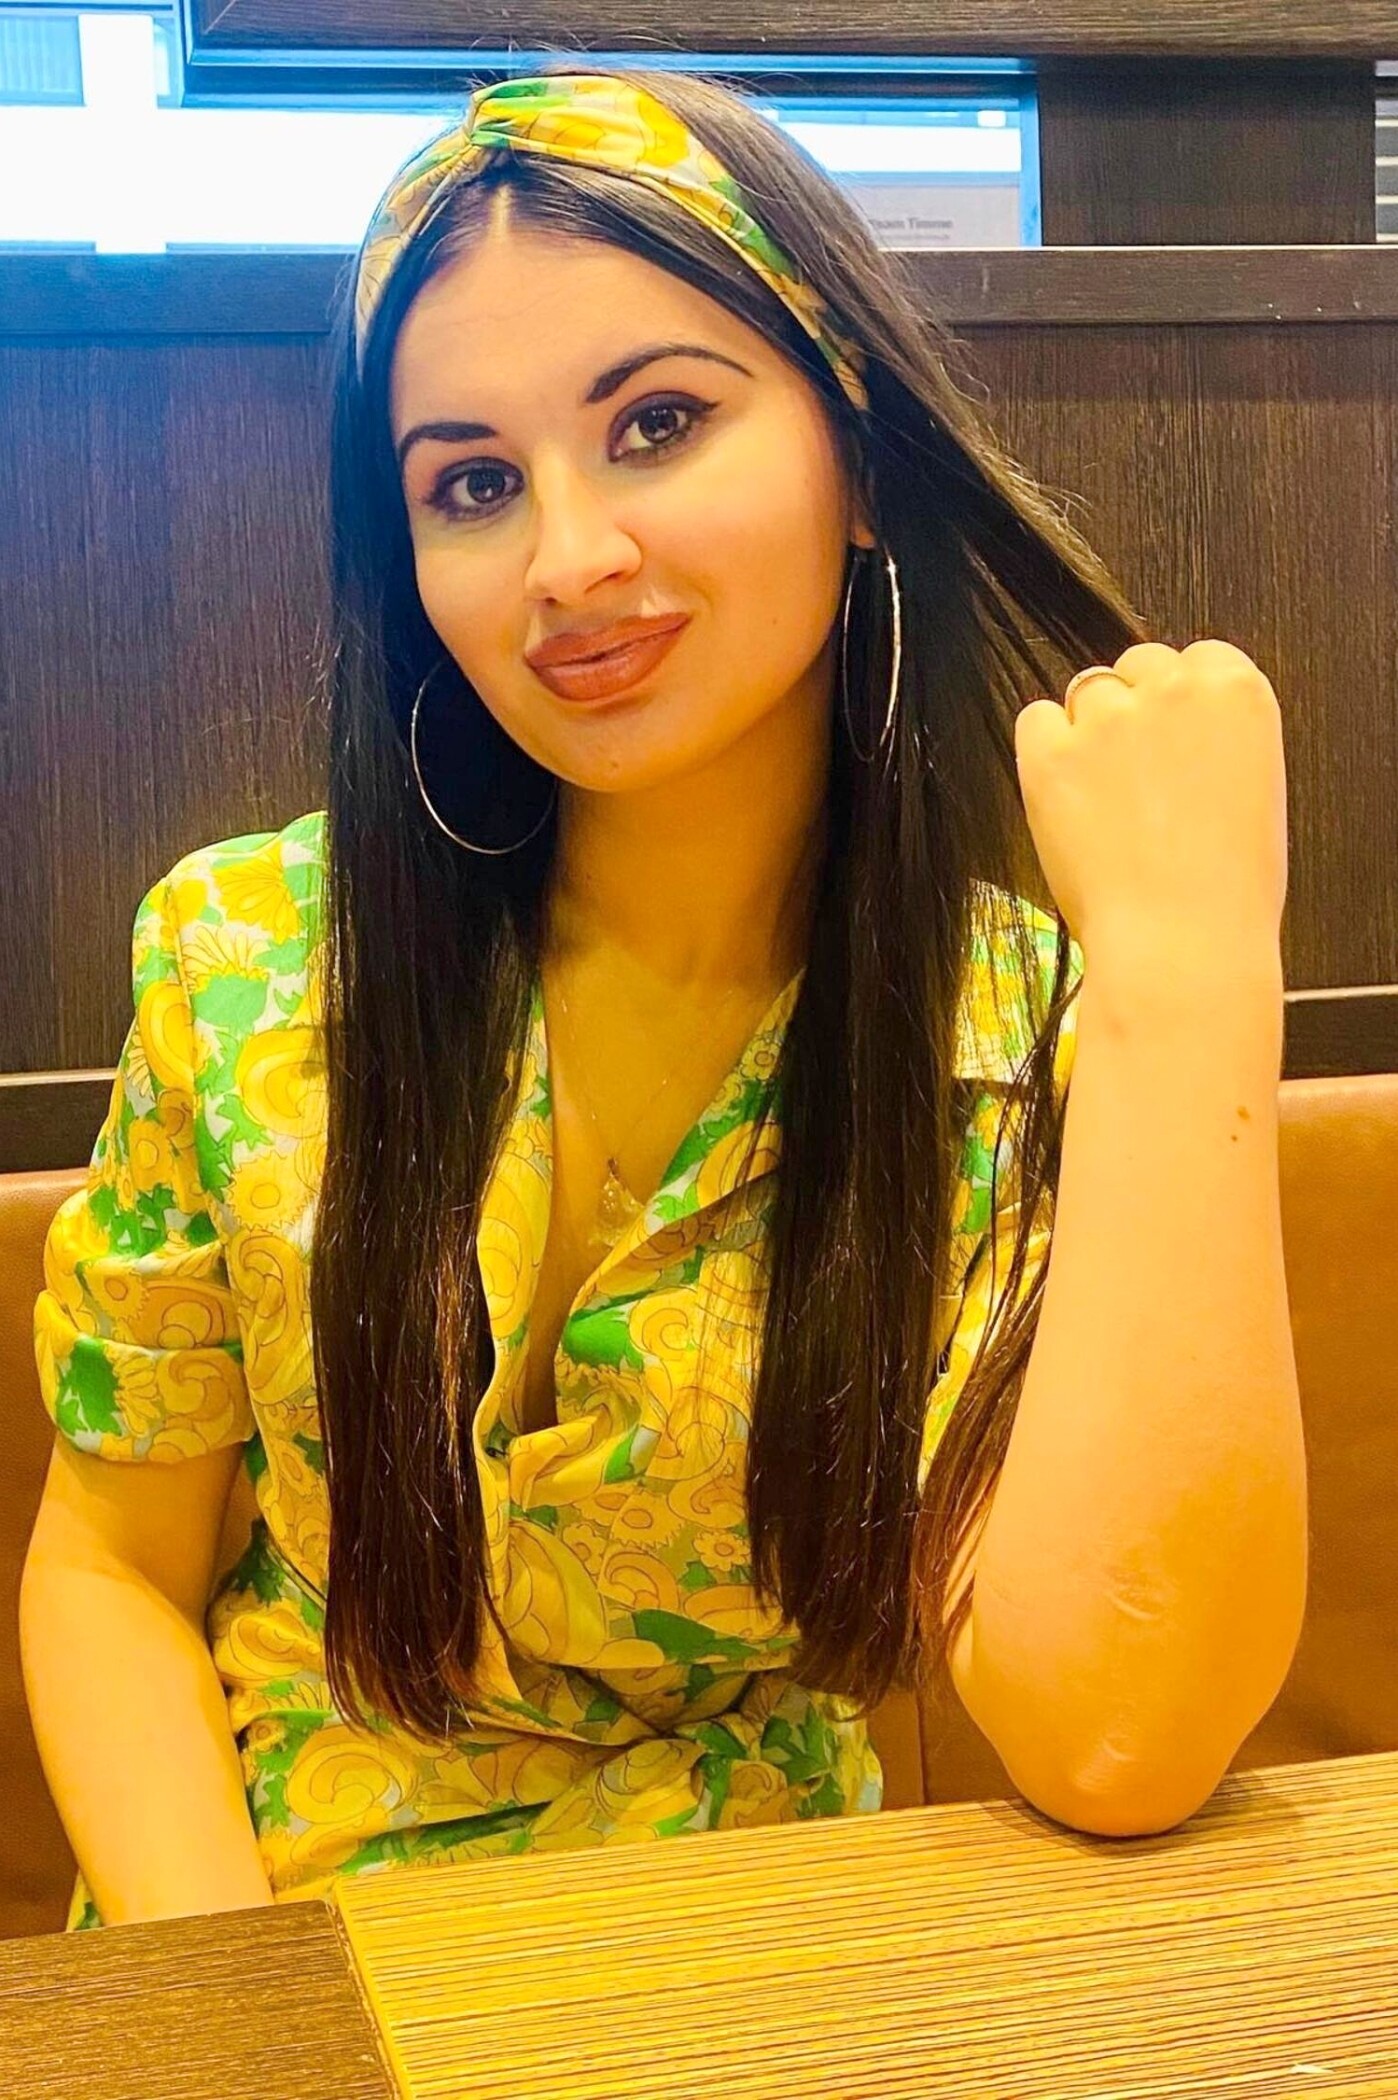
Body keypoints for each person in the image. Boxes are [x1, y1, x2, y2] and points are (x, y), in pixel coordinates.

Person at [21, 62, 1301, 1933]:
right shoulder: (241, 959)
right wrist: (244, 2016)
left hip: (749, 1967)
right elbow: (111, 1572)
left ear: (858, 456)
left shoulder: (1002, 1037)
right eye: (472, 482)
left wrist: (1187, 977)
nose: (568, 560)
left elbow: (1117, 1735)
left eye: (657, 423)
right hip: (266, 1932)